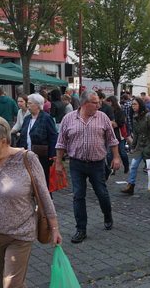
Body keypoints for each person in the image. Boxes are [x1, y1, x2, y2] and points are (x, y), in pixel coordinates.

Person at [0, 116, 62, 288]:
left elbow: (44, 195)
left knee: (11, 285)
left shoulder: (27, 159)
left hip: (19, 234)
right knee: (2, 285)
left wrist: (54, 227)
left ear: (3, 142)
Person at [55, 90, 120, 243]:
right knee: (78, 195)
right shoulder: (68, 119)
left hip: (97, 163)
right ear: (85, 104)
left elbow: (112, 140)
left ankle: (107, 214)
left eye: (99, 102)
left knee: (101, 192)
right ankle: (81, 229)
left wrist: (116, 157)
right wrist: (58, 163)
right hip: (76, 163)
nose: (99, 105)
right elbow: (61, 143)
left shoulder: (102, 117)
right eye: (96, 103)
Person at [120, 97, 150, 196]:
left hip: (148, 145)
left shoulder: (147, 116)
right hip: (139, 146)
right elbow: (136, 133)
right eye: (132, 104)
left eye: (135, 104)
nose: (133, 106)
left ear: (140, 105)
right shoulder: (135, 116)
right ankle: (130, 186)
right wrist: (132, 147)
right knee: (133, 166)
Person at [18, 94, 58, 190]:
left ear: (37, 105)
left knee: (43, 181)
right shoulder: (27, 118)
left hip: (42, 156)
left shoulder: (46, 118)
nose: (27, 105)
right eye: (27, 103)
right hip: (27, 154)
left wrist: (54, 154)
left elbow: (53, 136)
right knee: (29, 180)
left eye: (30, 103)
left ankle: (46, 202)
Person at [105, 96, 129, 173]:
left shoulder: (120, 111)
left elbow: (121, 123)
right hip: (110, 134)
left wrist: (113, 124)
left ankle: (126, 165)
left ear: (111, 102)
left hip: (119, 135)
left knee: (121, 151)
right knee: (109, 153)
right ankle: (111, 169)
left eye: (107, 102)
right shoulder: (107, 110)